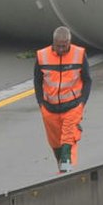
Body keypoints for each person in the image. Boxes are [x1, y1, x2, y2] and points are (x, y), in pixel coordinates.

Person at [34, 27, 91, 174]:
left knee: (67, 143)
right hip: (49, 109)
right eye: (58, 45)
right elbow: (37, 81)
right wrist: (41, 104)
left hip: (73, 107)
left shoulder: (79, 54)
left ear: (69, 42)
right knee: (56, 145)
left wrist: (82, 102)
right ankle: (62, 167)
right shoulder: (42, 56)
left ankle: (66, 173)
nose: (61, 49)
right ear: (53, 42)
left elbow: (87, 80)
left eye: (64, 45)